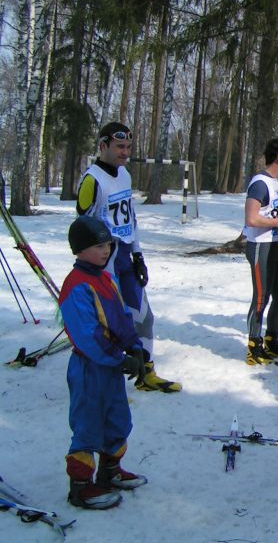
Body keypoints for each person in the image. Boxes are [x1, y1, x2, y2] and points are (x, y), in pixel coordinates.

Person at [77, 122, 181, 393]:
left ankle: (147, 372)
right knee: (109, 323)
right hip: (104, 260)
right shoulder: (92, 180)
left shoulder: (124, 175)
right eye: (119, 147)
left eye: (128, 147)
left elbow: (131, 218)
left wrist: (138, 255)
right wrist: (92, 268)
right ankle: (105, 381)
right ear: (103, 146)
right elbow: (82, 230)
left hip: (125, 255)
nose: (124, 152)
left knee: (144, 317)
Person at [60, 215, 148, 510]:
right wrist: (117, 357)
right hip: (89, 368)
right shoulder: (76, 286)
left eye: (108, 245)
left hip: (110, 368)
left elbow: (122, 318)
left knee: (117, 419)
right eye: (98, 246)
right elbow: (88, 335)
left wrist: (134, 347)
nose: (106, 251)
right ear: (80, 249)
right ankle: (81, 486)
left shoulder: (106, 278)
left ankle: (110, 471)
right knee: (88, 425)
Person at [243, 137, 278, 365]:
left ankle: (271, 339)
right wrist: (274, 224)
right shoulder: (260, 183)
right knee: (261, 298)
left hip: (274, 246)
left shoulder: (275, 182)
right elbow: (251, 218)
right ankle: (254, 346)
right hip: (259, 246)